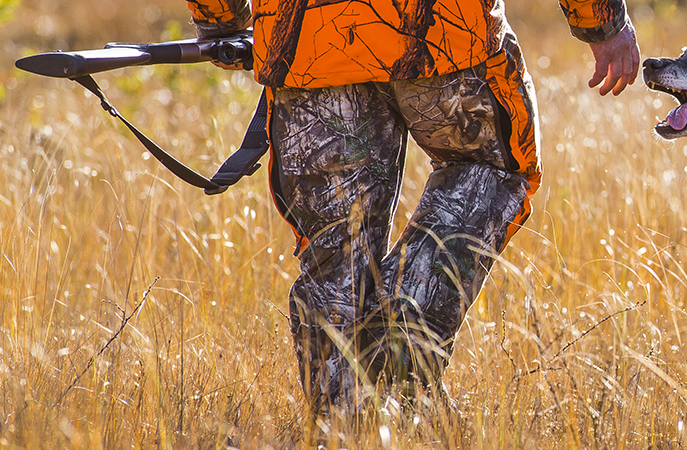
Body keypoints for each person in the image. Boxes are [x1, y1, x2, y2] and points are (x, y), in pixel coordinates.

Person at [184, 0, 640, 416]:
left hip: (307, 49)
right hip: (446, 35)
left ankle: (343, 427)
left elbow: (223, 19)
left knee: (336, 253)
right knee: (493, 171)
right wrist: (601, 23)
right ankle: (399, 349)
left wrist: (219, 20)